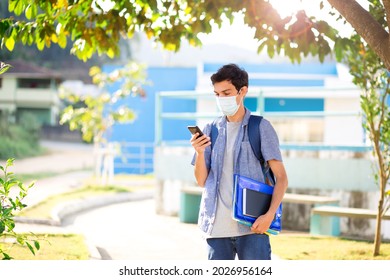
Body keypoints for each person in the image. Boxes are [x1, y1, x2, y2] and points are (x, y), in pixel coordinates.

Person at [190, 63, 288, 260]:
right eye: (217, 94)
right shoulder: (210, 129)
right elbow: (202, 181)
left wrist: (269, 216)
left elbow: (281, 178)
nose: (221, 99)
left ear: (243, 91)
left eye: (226, 93)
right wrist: (200, 153)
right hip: (216, 229)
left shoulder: (261, 127)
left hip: (253, 228)